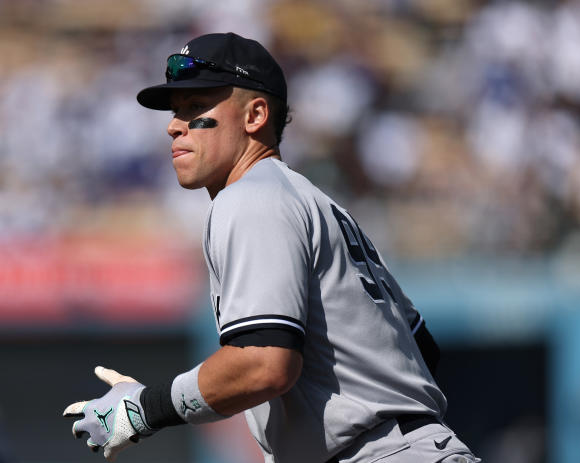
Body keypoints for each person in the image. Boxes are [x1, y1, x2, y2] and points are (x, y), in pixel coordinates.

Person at [63, 32, 480, 463]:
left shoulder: (251, 197)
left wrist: (144, 409)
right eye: (175, 111)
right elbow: (420, 347)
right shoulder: (317, 202)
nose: (174, 124)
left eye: (195, 107)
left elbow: (264, 364)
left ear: (255, 114)